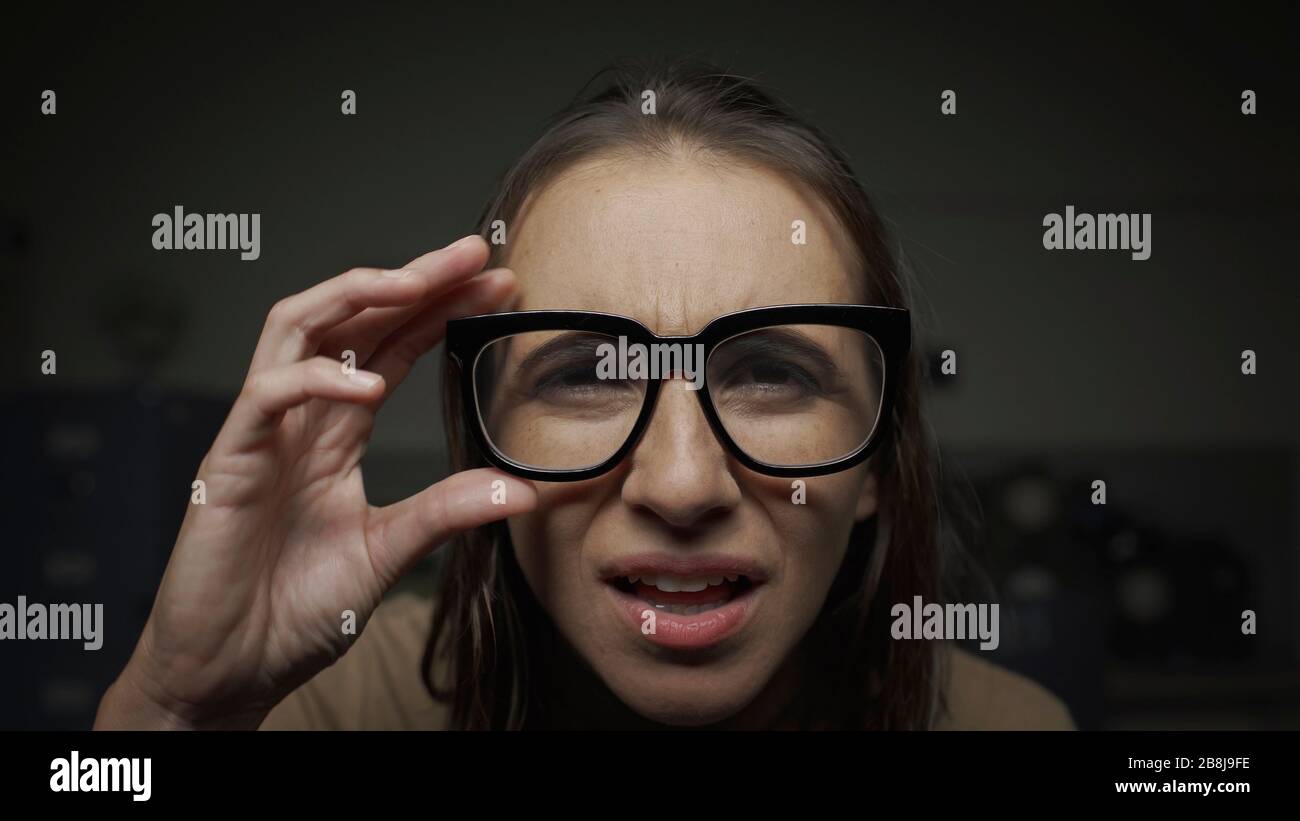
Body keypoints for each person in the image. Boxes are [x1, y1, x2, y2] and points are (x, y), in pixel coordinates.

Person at [94, 59, 1073, 731]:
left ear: (873, 456)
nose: (682, 484)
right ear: (483, 435)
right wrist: (174, 707)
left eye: (771, 371)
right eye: (585, 373)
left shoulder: (1006, 724)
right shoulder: (338, 704)